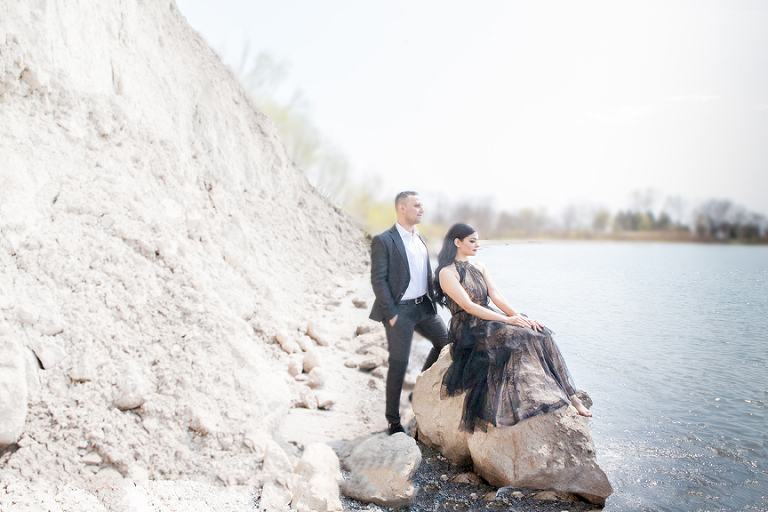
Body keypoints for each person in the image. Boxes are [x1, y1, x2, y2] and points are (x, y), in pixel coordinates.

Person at [434, 222, 591, 432]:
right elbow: (468, 306)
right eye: (472, 241)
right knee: (516, 335)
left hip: (489, 317)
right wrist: (507, 321)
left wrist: (517, 316)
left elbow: (496, 296)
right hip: (469, 326)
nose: (477, 245)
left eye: (477, 240)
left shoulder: (479, 267)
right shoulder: (447, 272)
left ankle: (571, 394)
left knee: (539, 332)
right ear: (457, 242)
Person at [369, 191, 450, 435]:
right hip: (399, 311)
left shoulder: (420, 239)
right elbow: (378, 280)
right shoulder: (384, 240)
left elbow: (425, 275)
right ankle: (393, 421)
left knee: (445, 343)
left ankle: (420, 389)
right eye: (416, 205)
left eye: (422, 205)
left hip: (423, 307)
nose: (421, 209)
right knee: (399, 363)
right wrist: (391, 314)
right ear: (402, 208)